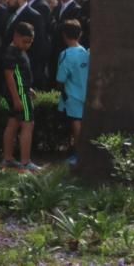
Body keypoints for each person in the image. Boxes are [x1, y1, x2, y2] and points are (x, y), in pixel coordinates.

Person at [0, 22, 41, 173]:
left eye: (30, 42)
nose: (28, 45)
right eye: (25, 41)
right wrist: (17, 98)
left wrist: (28, 87)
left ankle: (8, 158)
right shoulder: (12, 53)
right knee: (28, 124)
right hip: (19, 94)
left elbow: (19, 74)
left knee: (13, 122)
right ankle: (25, 161)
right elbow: (9, 76)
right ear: (16, 37)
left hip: (22, 90)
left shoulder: (18, 50)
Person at [55, 20, 88, 167]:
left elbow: (60, 78)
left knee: (76, 124)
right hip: (85, 95)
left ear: (64, 36)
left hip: (72, 97)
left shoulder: (66, 55)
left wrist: (61, 92)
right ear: (80, 34)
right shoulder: (86, 53)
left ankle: (79, 154)